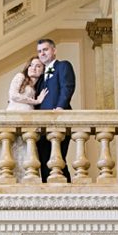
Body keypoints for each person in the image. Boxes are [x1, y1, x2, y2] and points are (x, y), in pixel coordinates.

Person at [33, 35, 76, 180]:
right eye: (39, 51)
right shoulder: (40, 75)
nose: (42, 53)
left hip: (59, 120)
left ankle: (67, 193)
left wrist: (60, 107)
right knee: (44, 163)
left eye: (45, 50)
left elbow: (67, 87)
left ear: (54, 51)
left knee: (58, 161)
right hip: (42, 125)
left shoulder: (63, 66)